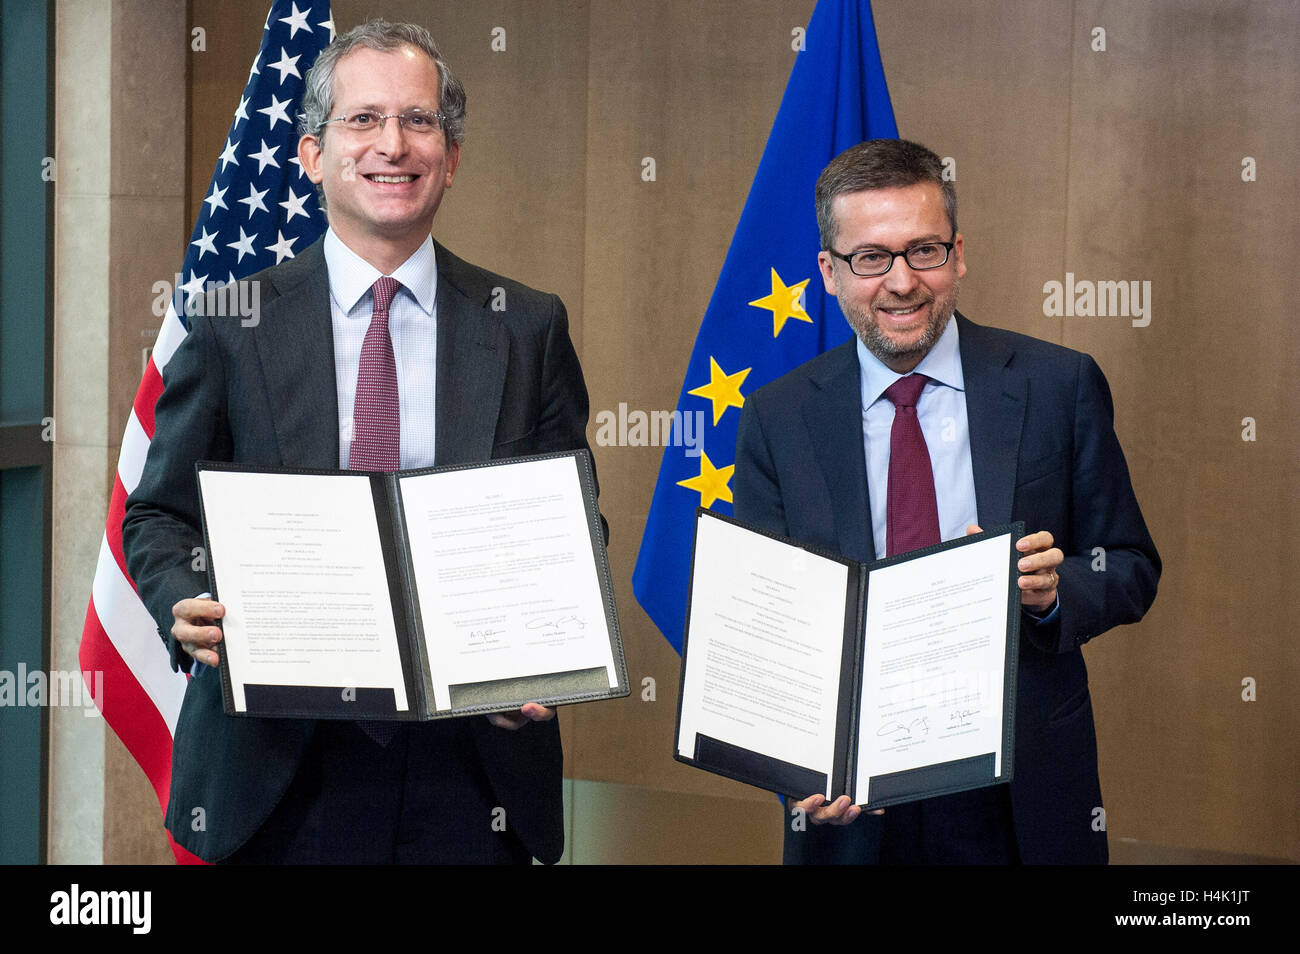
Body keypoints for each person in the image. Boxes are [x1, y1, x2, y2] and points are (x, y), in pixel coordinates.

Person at [122, 20, 595, 864]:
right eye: (364, 120)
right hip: (273, 761)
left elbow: (569, 523)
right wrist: (179, 600)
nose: (393, 144)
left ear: (450, 158)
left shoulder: (526, 326)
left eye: (419, 122)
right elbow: (158, 513)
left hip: (472, 764)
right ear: (311, 154)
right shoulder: (235, 320)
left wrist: (541, 650)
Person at [732, 139, 1160, 864]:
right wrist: (794, 766)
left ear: (958, 254)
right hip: (852, 814)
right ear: (829, 273)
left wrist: (1053, 594)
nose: (901, 282)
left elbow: (1130, 566)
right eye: (871, 257)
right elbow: (766, 622)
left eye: (923, 250)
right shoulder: (777, 417)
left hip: (1020, 800)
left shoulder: (1059, 386)